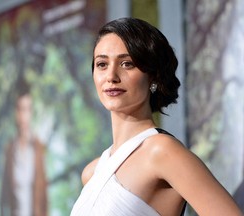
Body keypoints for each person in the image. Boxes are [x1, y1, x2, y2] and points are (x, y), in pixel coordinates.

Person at [70, 17, 243, 216]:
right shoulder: (91, 173)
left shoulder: (162, 151)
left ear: (153, 76)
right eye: (102, 64)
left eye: (127, 64)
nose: (111, 76)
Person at [0, 78, 48, 216]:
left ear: (31, 112)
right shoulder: (10, 149)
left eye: (26, 109)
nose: (23, 116)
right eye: (20, 109)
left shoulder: (38, 148)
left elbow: (44, 197)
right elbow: (4, 196)